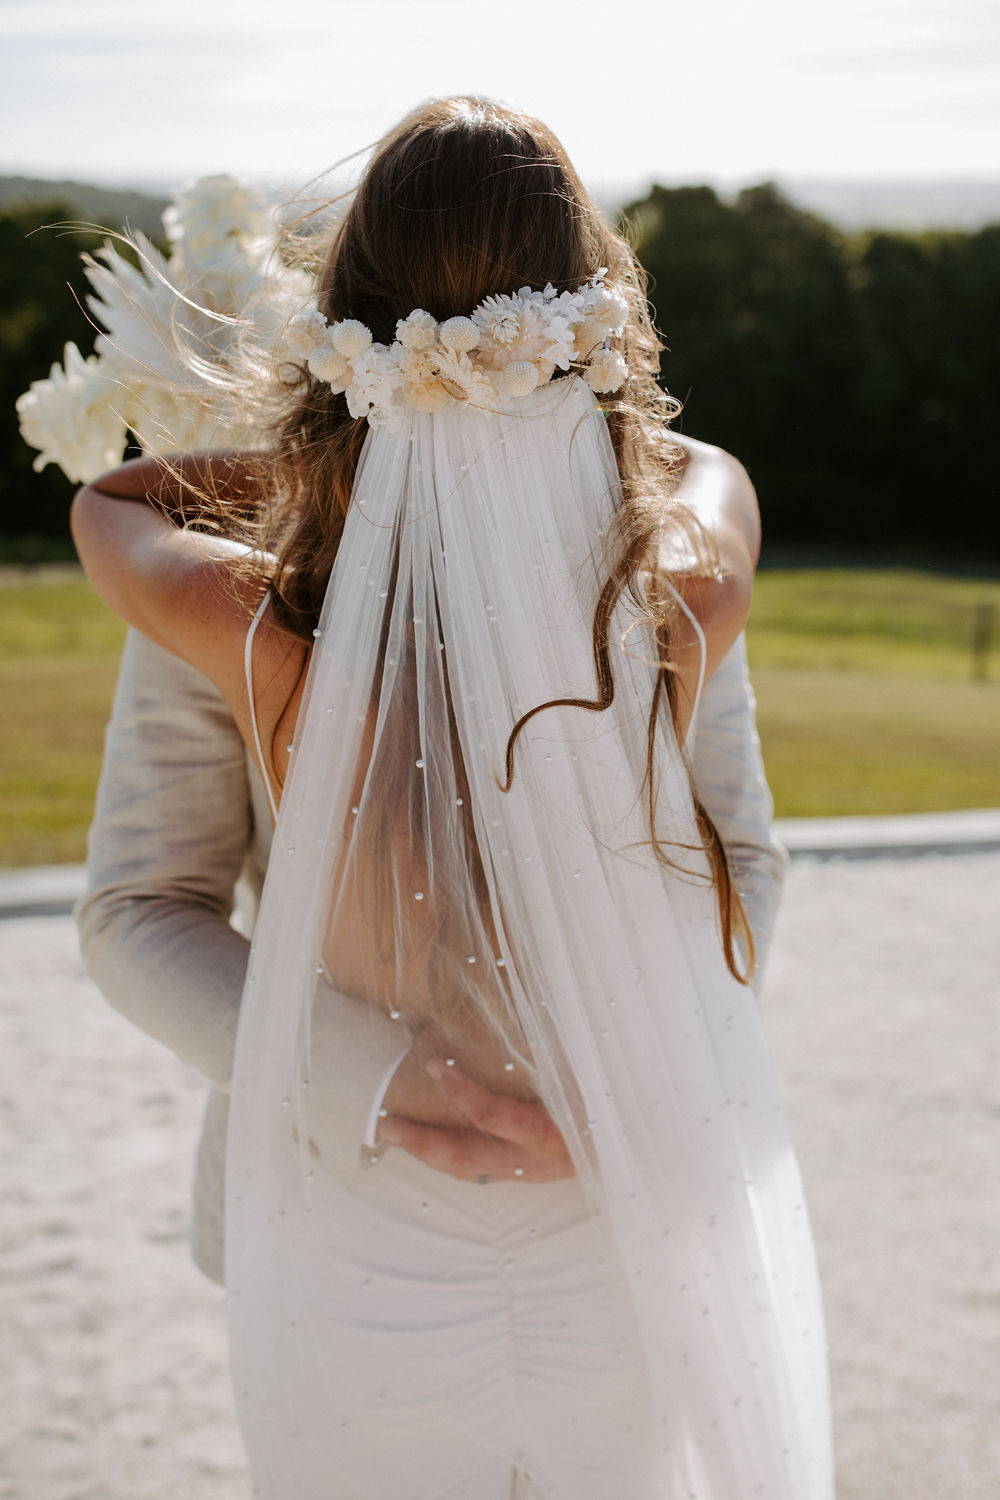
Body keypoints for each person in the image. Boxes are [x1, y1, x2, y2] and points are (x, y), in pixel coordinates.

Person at [69, 95, 833, 1498]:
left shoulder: (241, 613)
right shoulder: (673, 596)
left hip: (581, 1223)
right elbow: (141, 910)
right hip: (398, 1180)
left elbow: (742, 856)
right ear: (601, 316)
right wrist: (575, 1084)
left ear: (333, 340)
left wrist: (595, 1078)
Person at [74, 437, 789, 1291]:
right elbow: (142, 906)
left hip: (617, 1174)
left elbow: (735, 854)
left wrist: (629, 1072)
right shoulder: (226, 551)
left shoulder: (656, 542)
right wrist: (388, 1081)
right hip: (320, 1182)